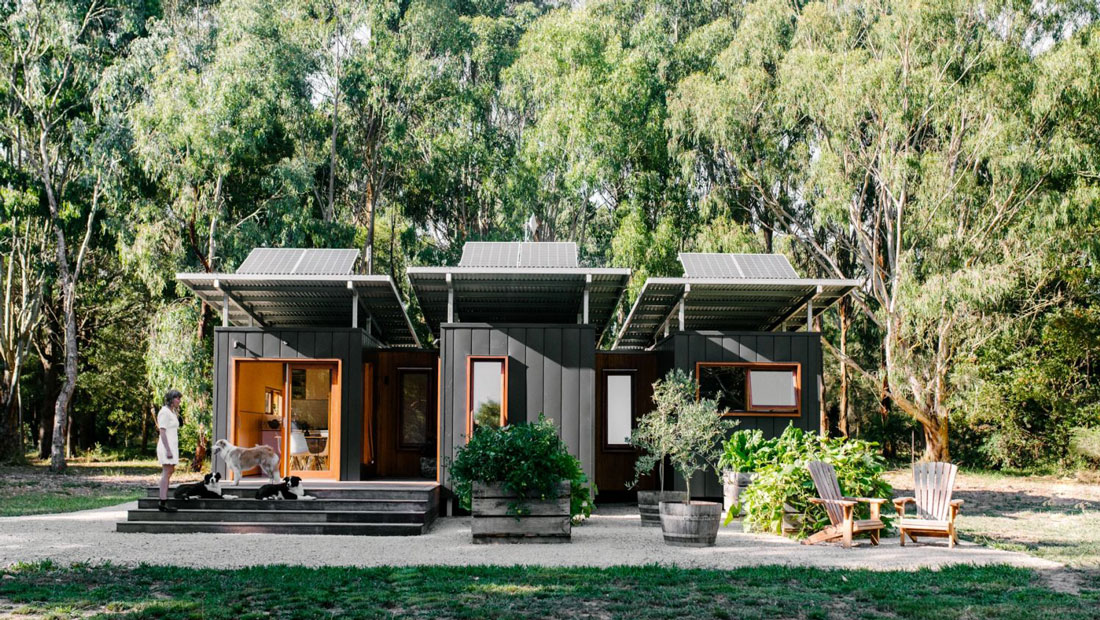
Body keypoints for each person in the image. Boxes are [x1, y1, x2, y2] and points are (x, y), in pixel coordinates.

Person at [157, 389, 183, 512]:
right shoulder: (164, 412)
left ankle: (163, 500)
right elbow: (162, 432)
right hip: (166, 446)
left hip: (172, 446)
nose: (179, 400)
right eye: (177, 398)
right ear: (171, 400)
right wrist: (167, 449)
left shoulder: (172, 412)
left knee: (170, 471)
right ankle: (162, 501)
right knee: (166, 472)